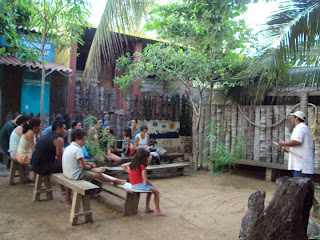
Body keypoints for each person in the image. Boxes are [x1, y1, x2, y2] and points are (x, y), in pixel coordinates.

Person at [62, 129, 126, 205]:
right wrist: (92, 167)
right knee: (99, 175)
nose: (84, 142)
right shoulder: (78, 149)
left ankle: (68, 198)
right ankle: (115, 181)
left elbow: (76, 162)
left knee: (93, 171)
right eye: (83, 140)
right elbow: (83, 167)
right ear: (77, 139)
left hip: (67, 173)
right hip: (75, 175)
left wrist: (89, 164)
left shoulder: (69, 147)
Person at [277, 110, 317, 216]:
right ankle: (315, 207)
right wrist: (288, 148)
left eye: (292, 118)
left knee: (300, 190)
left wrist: (283, 143)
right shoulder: (302, 128)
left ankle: (300, 211)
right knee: (306, 189)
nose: (291, 120)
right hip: (303, 164)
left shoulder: (300, 128)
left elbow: (297, 142)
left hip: (301, 166)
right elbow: (298, 145)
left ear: (296, 118)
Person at [121, 147, 167, 216]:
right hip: (139, 184)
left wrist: (130, 172)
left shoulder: (133, 163)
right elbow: (145, 180)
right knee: (156, 193)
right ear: (144, 157)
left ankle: (147, 208)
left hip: (134, 184)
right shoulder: (142, 166)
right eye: (148, 156)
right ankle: (158, 211)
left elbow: (123, 166)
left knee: (150, 192)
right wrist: (152, 186)